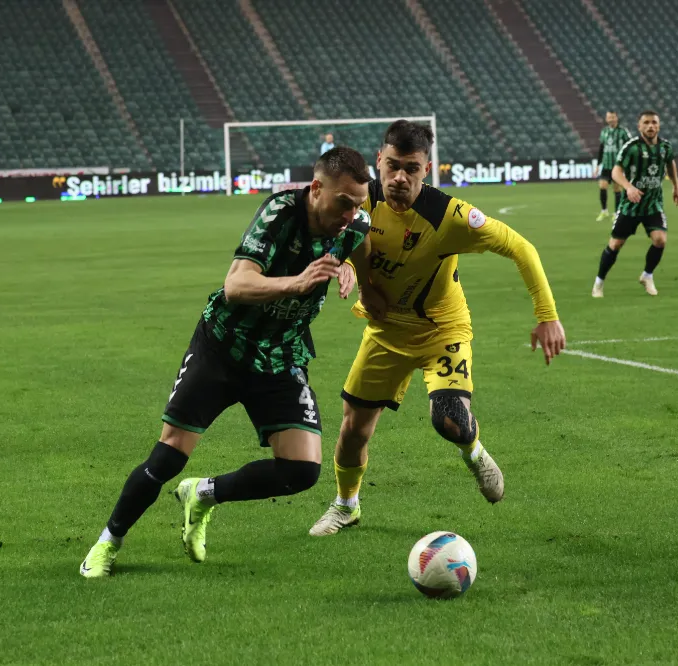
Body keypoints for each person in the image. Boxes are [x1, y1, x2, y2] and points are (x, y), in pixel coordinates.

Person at [80, 147, 385, 578]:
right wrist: (296, 283)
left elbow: (363, 246)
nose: (351, 214)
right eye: (343, 203)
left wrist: (350, 265)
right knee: (168, 456)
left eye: (358, 204)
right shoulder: (280, 214)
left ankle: (203, 494)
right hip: (224, 347)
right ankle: (107, 543)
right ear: (317, 188)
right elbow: (236, 285)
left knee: (301, 471)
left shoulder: (355, 224)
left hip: (280, 355)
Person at [308, 120, 566, 537]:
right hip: (386, 331)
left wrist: (547, 315)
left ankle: (474, 451)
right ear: (379, 160)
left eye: (411, 168)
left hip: (441, 330)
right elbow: (341, 241)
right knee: (354, 429)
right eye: (392, 165)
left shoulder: (449, 216)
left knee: (449, 419)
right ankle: (346, 505)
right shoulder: (360, 201)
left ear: (426, 169)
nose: (399, 177)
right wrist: (348, 269)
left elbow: (521, 247)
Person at [593, 110, 678, 298]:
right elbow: (616, 172)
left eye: (654, 122)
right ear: (639, 126)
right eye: (646, 123)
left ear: (659, 125)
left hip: (653, 204)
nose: (650, 126)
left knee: (660, 240)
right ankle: (599, 282)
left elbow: (670, 164)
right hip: (630, 205)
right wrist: (628, 187)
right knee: (615, 244)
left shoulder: (665, 147)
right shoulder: (631, 147)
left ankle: (647, 276)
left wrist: (676, 186)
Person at [595, 111, 633, 221]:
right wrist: (598, 164)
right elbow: (601, 148)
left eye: (612, 117)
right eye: (609, 117)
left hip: (618, 166)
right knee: (602, 186)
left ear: (616, 118)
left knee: (617, 189)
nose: (611, 119)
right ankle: (604, 211)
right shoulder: (604, 131)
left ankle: (616, 213)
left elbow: (630, 146)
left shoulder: (623, 131)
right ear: (606, 119)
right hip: (606, 165)